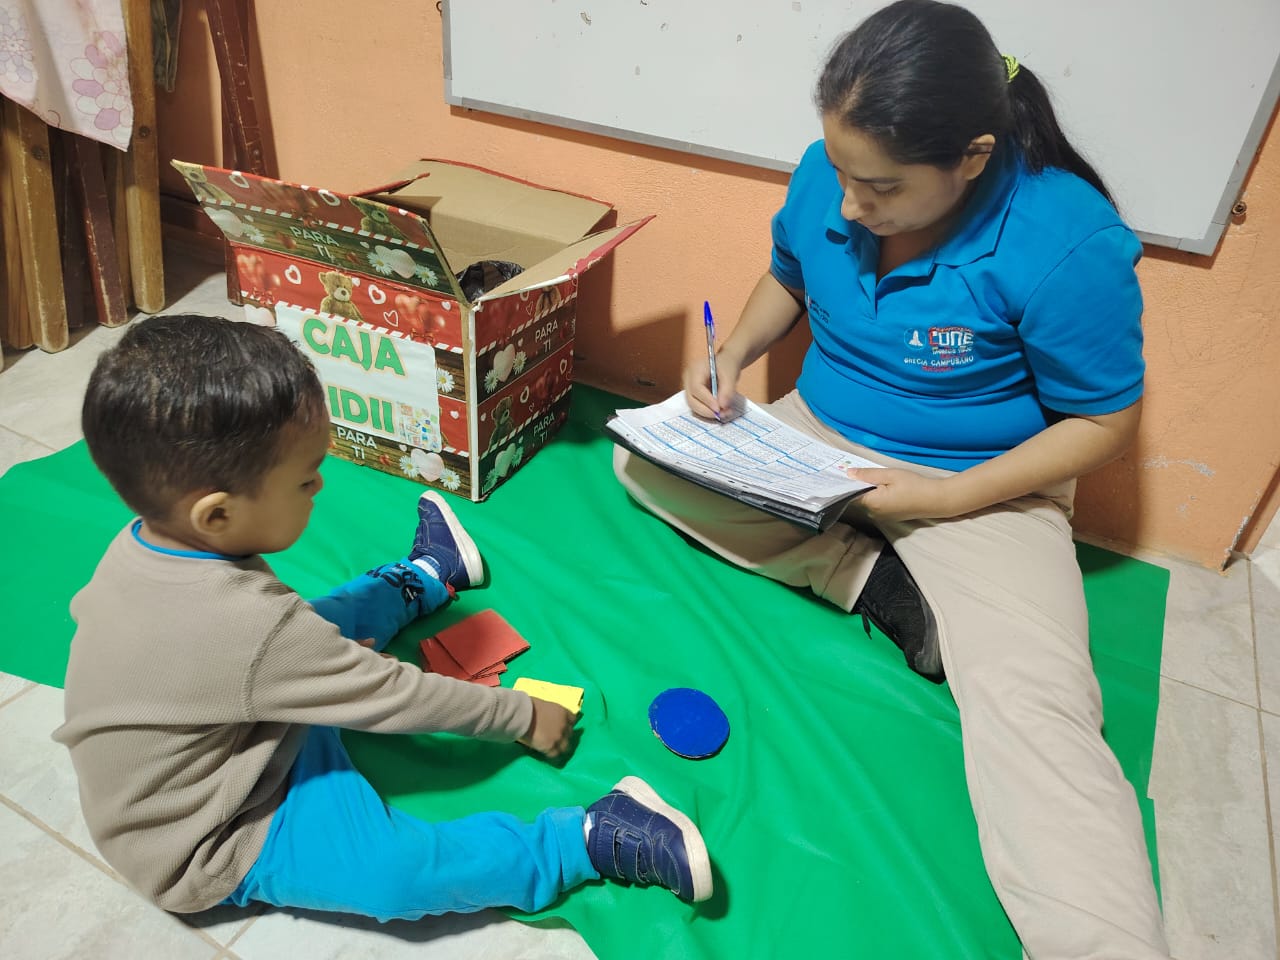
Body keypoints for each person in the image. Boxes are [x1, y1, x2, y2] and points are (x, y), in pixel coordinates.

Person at [613, 2, 1169, 957]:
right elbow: (788, 274)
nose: (848, 205)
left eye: (879, 188)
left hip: (984, 485)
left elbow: (1104, 423)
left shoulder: (1067, 239)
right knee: (641, 460)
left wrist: (945, 499)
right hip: (816, 438)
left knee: (1036, 709)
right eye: (839, 173)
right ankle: (873, 579)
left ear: (972, 157)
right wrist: (732, 356)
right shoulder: (832, 173)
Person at [54, 313, 712, 922]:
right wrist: (521, 716)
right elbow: (393, 696)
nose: (320, 486)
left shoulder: (148, 543)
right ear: (217, 514)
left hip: (248, 730)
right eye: (306, 479)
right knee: (394, 874)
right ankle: (587, 838)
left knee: (315, 627)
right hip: (223, 831)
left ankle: (430, 573)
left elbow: (276, 643)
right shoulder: (245, 629)